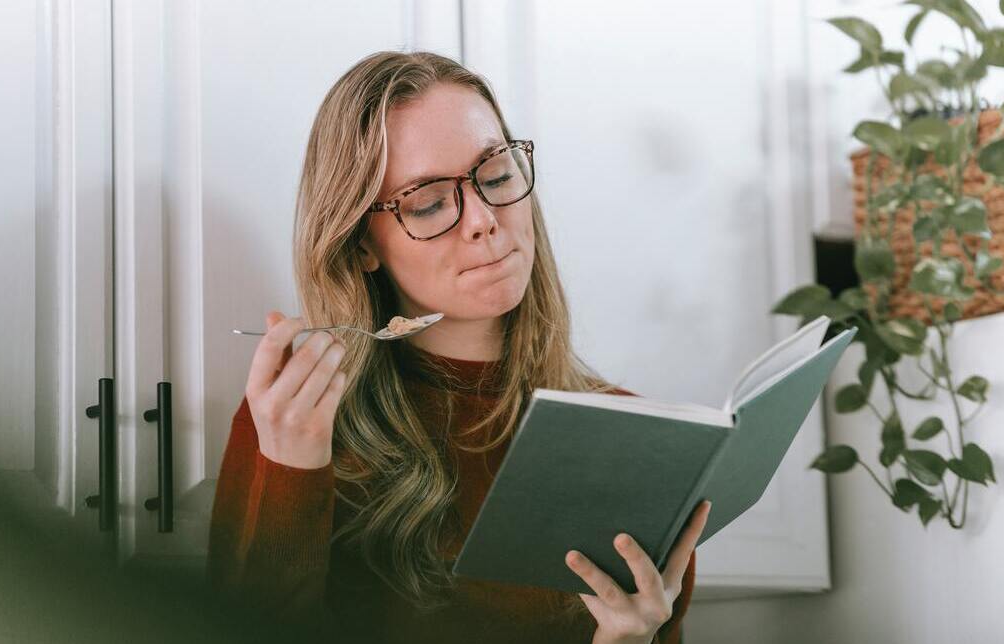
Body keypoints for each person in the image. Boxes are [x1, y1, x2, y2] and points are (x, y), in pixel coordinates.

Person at [206, 50, 711, 644]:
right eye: (428, 201)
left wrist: (628, 640)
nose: (484, 219)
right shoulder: (298, 419)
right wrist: (290, 467)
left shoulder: (634, 437)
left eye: (495, 175)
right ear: (361, 246)